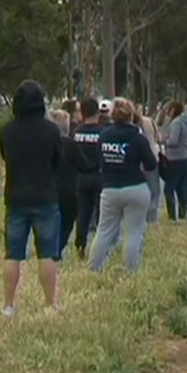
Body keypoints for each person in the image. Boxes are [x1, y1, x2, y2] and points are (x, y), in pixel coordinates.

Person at [0, 80, 62, 317]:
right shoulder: (51, 130)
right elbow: (58, 161)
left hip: (15, 197)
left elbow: (5, 157)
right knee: (47, 254)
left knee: (13, 254)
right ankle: (49, 304)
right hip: (45, 196)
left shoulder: (6, 131)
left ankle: (8, 304)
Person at [89, 98, 157, 272]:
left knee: (104, 232)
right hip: (135, 187)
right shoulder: (137, 137)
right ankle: (131, 271)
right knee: (134, 232)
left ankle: (94, 269)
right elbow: (151, 164)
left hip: (110, 188)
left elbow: (99, 160)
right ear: (132, 115)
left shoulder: (104, 136)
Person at [50, 110, 84, 259]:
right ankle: (58, 248)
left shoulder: (47, 145)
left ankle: (52, 249)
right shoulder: (72, 145)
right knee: (68, 222)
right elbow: (84, 164)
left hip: (50, 189)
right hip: (70, 189)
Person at [72, 98, 103, 259]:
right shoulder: (103, 131)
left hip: (81, 177)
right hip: (99, 175)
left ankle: (80, 245)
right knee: (100, 214)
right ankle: (99, 246)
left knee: (82, 214)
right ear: (97, 112)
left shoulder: (76, 133)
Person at [162, 101, 187, 221]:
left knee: (168, 189)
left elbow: (173, 141)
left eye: (169, 109)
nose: (167, 112)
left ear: (173, 110)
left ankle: (172, 215)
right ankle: (183, 213)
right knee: (181, 188)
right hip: (184, 157)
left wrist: (164, 140)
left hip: (174, 159)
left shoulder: (176, 123)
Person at [139, 114, 162, 226]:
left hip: (137, 161)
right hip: (152, 157)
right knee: (154, 190)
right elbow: (158, 138)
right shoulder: (149, 121)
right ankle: (151, 218)